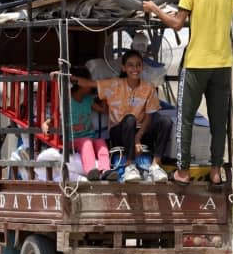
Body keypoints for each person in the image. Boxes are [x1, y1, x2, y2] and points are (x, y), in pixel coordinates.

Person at [142, 0, 233, 187]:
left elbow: (176, 24)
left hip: (197, 63)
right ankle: (216, 169)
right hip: (223, 63)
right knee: (219, 120)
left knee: (185, 117)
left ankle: (183, 172)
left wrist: (154, 9)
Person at [69, 50, 172, 183]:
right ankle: (130, 166)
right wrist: (65, 77)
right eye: (130, 65)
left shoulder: (149, 88)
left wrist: (138, 138)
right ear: (123, 67)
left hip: (140, 131)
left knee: (165, 121)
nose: (135, 69)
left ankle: (155, 166)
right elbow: (88, 84)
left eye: (138, 65)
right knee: (130, 119)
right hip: (119, 131)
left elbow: (148, 116)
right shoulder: (114, 84)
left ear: (142, 67)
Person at [44, 69, 117, 181]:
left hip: (90, 136)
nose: (91, 86)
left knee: (101, 142)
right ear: (80, 84)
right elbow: (54, 117)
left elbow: (103, 110)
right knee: (86, 142)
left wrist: (105, 99)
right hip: (72, 139)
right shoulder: (66, 99)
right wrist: (46, 124)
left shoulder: (88, 99)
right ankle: (91, 170)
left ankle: (105, 169)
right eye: (88, 83)